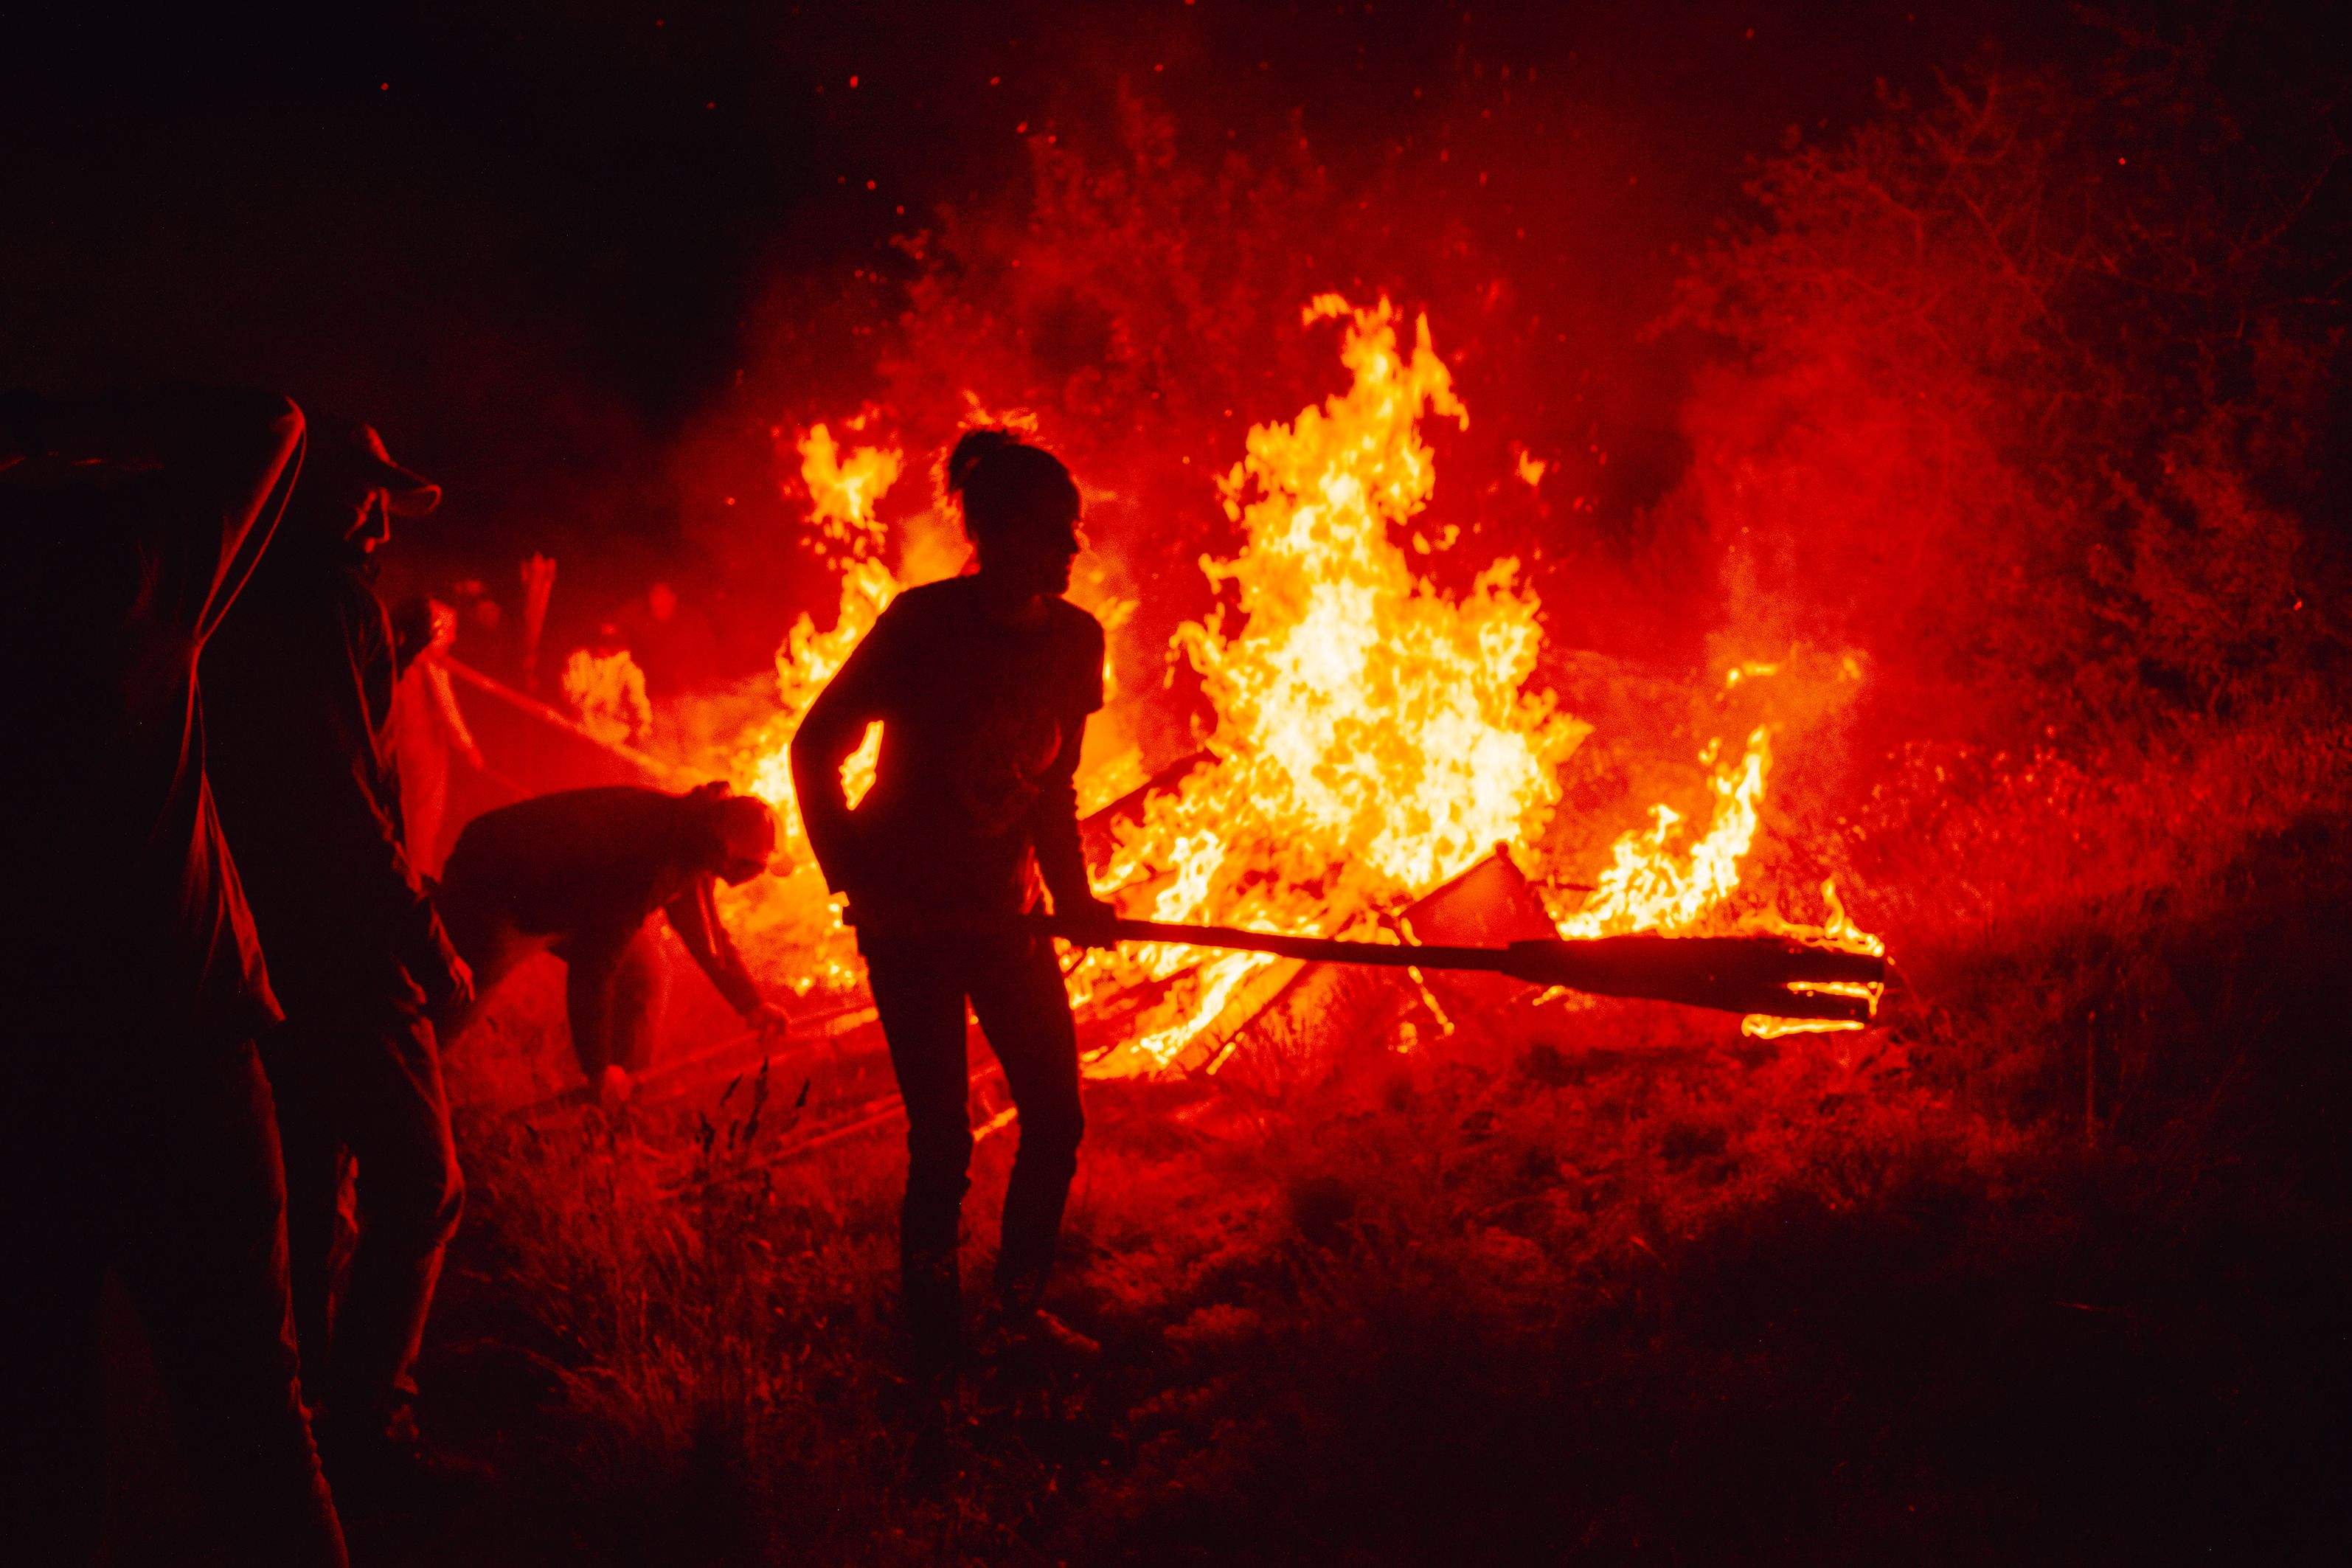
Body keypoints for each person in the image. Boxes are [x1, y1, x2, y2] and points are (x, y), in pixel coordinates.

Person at [0, 386, 348, 1564]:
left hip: (26, 1083)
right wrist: (69, 429)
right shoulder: (128, 586)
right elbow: (272, 420)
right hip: (183, 1055)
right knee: (253, 1408)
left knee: (40, 1421)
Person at [791, 427, 1117, 1374]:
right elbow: (815, 747)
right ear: (1000, 533)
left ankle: (1018, 1308)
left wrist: (1076, 899)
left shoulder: (1075, 641)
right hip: (913, 927)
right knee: (942, 1139)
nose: (1072, 548)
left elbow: (1051, 790)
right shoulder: (921, 626)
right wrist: (852, 876)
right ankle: (933, 1345)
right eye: (1057, 531)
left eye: (1075, 529)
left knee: (1055, 1115)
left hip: (1008, 920)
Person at [201, 417, 475, 1494]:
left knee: (315, 1187)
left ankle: (301, 1422)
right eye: (359, 496)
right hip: (341, 938)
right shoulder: (327, 600)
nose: (374, 519)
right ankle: (374, 1432)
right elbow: (345, 798)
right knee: (422, 1180)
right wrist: (425, 934)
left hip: (260, 937)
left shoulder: (238, 593)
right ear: (314, 496)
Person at [431, 781, 793, 1097]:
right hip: (501, 890)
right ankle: (406, 1067)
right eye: (754, 865)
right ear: (727, 855)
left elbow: (706, 933)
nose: (755, 874)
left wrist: (751, 1004)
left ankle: (621, 1100)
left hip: (573, 900)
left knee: (644, 974)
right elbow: (594, 965)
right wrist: (597, 1066)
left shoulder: (694, 840)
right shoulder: (651, 858)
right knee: (454, 1001)